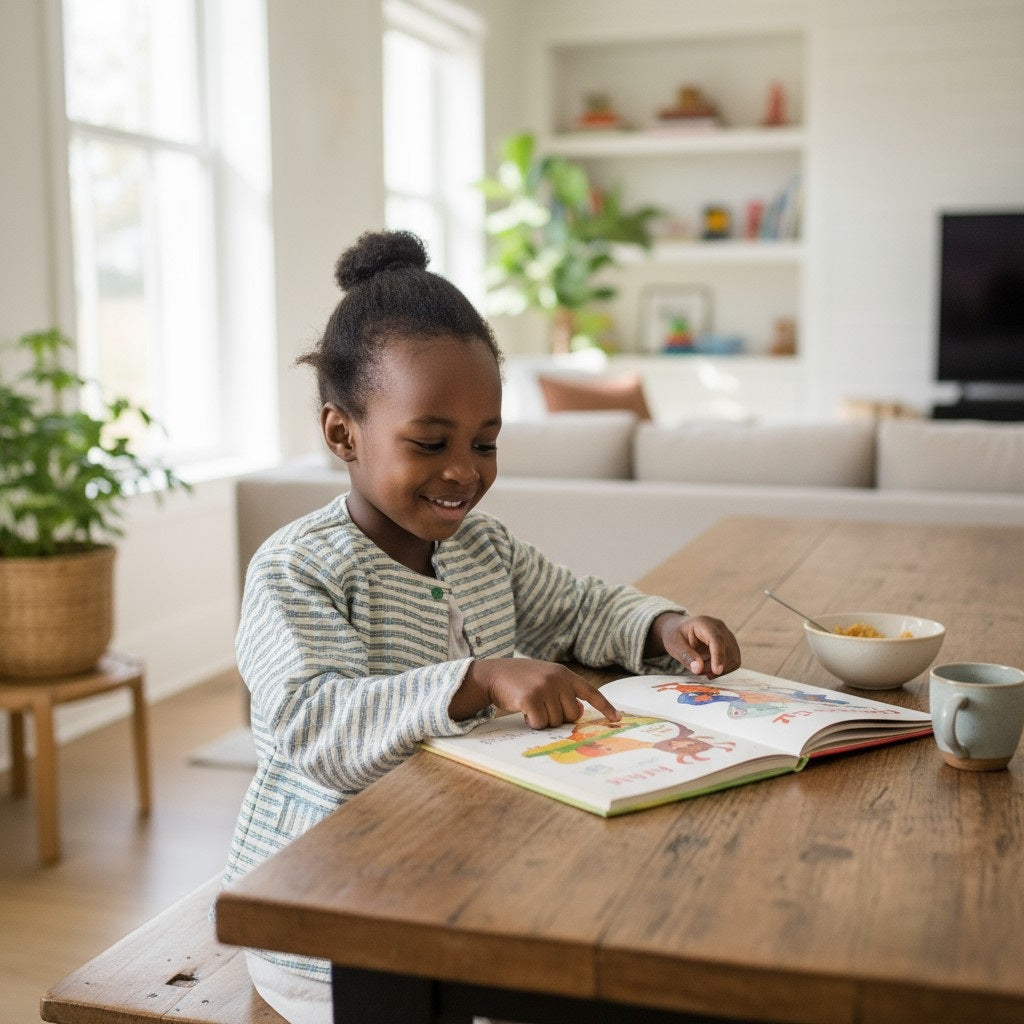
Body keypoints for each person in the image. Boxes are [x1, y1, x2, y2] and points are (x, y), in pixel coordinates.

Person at [221, 229, 741, 1023]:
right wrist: (476, 679)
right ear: (341, 434)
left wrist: (662, 624)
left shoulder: (482, 547)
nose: (464, 469)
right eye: (430, 442)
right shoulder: (298, 570)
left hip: (464, 867)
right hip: (331, 926)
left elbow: (576, 606)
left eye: (485, 443)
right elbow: (307, 724)